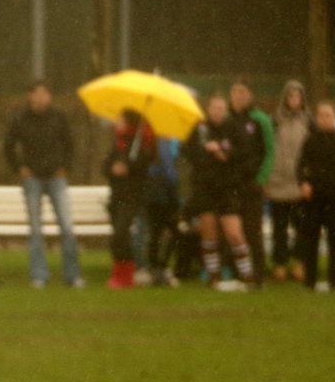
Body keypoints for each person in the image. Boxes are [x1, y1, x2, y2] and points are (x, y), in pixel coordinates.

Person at [4, 81, 82, 288]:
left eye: (45, 93)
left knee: (66, 226)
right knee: (36, 229)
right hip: (33, 179)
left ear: (50, 96)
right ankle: (39, 275)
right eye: (37, 93)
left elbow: (70, 144)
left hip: (56, 177)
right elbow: (8, 146)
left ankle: (72, 275)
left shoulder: (59, 116)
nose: (41, 98)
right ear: (30, 96)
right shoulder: (20, 118)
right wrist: (20, 168)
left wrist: (65, 166)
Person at [184, 93, 257, 291]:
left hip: (227, 187)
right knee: (209, 232)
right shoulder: (199, 128)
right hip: (205, 187)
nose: (218, 111)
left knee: (234, 233)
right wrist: (207, 151)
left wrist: (224, 153)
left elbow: (244, 153)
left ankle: (248, 277)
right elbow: (190, 153)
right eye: (214, 108)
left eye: (221, 108)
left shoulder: (233, 128)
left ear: (226, 110)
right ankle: (213, 277)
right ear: (209, 109)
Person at [296, 102, 335, 293]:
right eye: (321, 115)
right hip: (313, 199)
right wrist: (303, 183)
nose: (324, 118)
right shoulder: (310, 139)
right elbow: (301, 166)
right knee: (310, 241)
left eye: (328, 115)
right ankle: (310, 281)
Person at [228, 79, 274, 285]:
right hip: (231, 184)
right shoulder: (226, 119)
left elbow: (270, 152)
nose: (239, 95)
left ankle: (259, 273)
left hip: (252, 183)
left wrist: (261, 179)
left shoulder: (260, 119)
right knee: (232, 230)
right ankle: (238, 272)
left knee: (253, 230)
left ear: (250, 95)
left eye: (243, 91)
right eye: (235, 91)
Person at [103, 110, 156, 290]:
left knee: (120, 234)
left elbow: (145, 165)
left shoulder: (143, 142)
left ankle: (125, 275)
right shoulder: (119, 143)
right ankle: (122, 275)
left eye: (120, 118)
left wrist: (129, 167)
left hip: (132, 197)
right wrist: (113, 169)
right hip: (116, 196)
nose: (116, 121)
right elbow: (105, 166)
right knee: (120, 237)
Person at [265, 81, 311, 282]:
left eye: (297, 96)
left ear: (302, 99)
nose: (294, 100)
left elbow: (313, 153)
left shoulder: (309, 121)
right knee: (279, 229)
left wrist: (308, 179)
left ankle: (300, 263)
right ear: (285, 98)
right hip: (277, 183)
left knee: (302, 228)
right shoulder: (274, 120)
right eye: (290, 96)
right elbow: (266, 151)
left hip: (300, 184)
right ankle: (280, 265)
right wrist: (266, 180)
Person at [142, 135, 181, 286]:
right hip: (161, 194)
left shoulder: (169, 142)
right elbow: (170, 171)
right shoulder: (161, 142)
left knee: (157, 233)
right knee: (168, 232)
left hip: (156, 193)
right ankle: (159, 268)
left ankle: (156, 268)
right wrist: (175, 194)